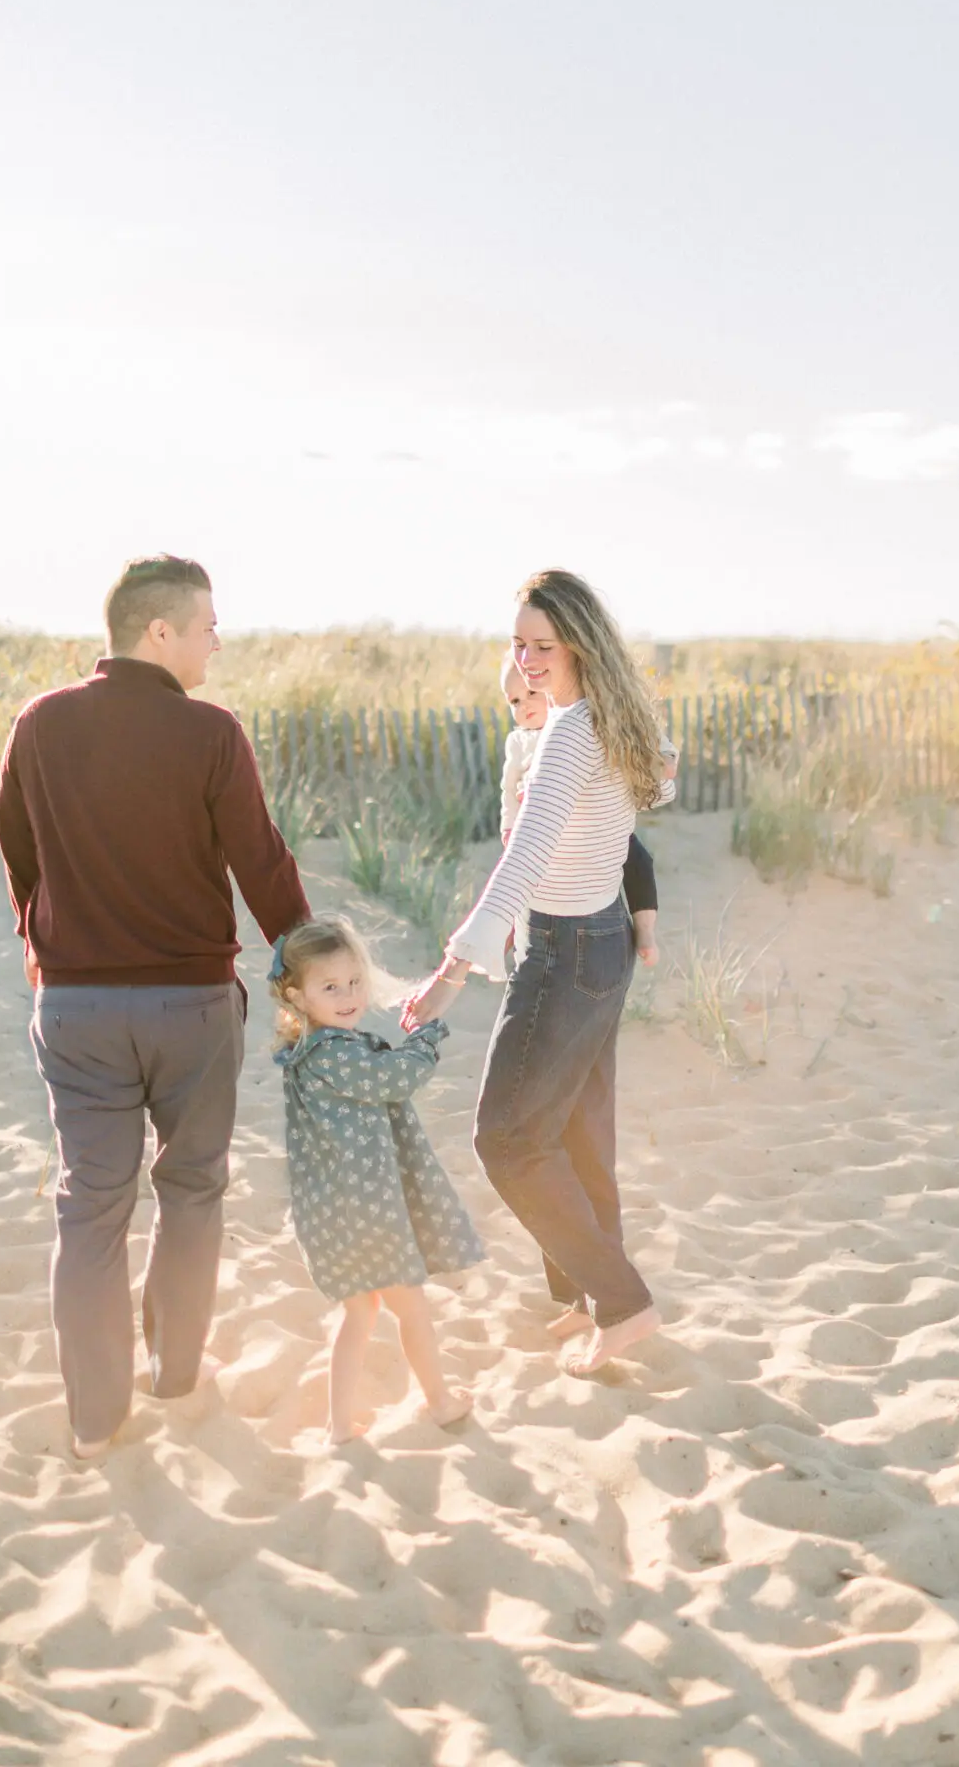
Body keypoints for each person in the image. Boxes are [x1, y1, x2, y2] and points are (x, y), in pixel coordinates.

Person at [0, 555, 311, 1460]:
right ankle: (176, 1375)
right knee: (192, 1190)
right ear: (157, 630)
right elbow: (262, 863)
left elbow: (18, 853)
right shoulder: (212, 734)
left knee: (88, 1209)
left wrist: (39, 944)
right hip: (192, 1009)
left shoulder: (40, 723)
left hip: (77, 1009)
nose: (218, 637)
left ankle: (96, 1420)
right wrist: (306, 968)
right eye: (207, 622)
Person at [403, 569, 674, 1375]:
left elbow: (525, 855)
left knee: (508, 1138)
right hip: (601, 944)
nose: (524, 660)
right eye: (517, 643)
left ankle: (621, 1302)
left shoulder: (568, 734)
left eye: (541, 646)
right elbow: (652, 793)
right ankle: (597, 1301)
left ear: (579, 645)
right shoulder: (612, 721)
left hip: (567, 949)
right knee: (578, 1135)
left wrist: (453, 967)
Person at [271, 916, 482, 1443]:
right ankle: (439, 1402)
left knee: (360, 1313)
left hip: (340, 1209)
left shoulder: (312, 1052)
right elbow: (394, 1078)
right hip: (366, 1211)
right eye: (330, 987)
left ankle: (340, 1425)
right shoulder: (335, 1052)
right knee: (411, 1309)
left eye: (355, 982)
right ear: (297, 996)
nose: (348, 996)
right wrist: (426, 1035)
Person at [499, 652, 670, 968]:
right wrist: (509, 828)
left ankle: (645, 929)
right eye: (514, 702)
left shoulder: (578, 726)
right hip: (540, 829)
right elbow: (509, 789)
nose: (524, 707)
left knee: (638, 860)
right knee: (521, 874)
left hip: (595, 826)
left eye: (531, 694)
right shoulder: (519, 742)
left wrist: (663, 761)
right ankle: (510, 928)